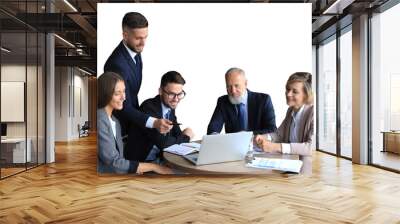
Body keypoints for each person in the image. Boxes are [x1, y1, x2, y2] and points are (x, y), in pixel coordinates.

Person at [103, 12, 172, 153]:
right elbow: (122, 106)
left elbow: (132, 93)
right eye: (138, 38)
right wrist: (153, 122)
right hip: (119, 127)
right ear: (125, 35)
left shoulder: (134, 50)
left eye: (145, 37)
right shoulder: (117, 65)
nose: (143, 43)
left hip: (132, 121)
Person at [97, 72, 173, 174]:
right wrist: (154, 167)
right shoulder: (100, 120)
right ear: (105, 94)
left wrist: (139, 169)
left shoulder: (115, 121)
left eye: (124, 91)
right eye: (117, 93)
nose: (123, 97)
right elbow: (113, 163)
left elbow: (120, 159)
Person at [126, 71, 195, 161]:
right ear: (160, 91)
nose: (176, 99)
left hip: (161, 158)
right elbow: (164, 143)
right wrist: (187, 136)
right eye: (171, 94)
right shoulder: (148, 108)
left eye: (179, 94)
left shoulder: (170, 106)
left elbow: (176, 133)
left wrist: (182, 136)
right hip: (142, 163)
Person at [254, 72, 314, 156]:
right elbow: (279, 135)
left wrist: (276, 147)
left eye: (295, 91)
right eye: (288, 89)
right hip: (290, 162)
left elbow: (310, 147)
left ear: (307, 95)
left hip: (306, 166)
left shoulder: (313, 113)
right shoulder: (291, 110)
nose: (288, 94)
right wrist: (264, 137)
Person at [207, 67, 277, 135]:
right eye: (229, 86)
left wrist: (246, 136)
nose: (233, 91)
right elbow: (212, 129)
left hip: (256, 144)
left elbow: (272, 129)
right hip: (232, 145)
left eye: (236, 86)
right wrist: (215, 138)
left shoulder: (263, 100)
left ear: (245, 84)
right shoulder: (222, 102)